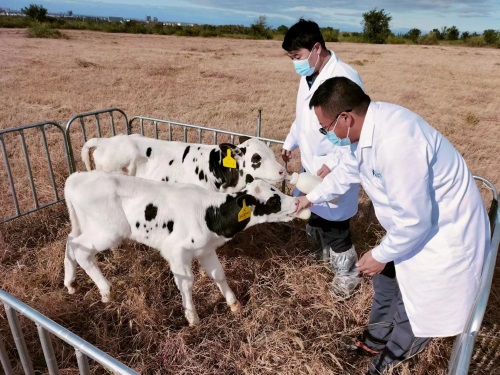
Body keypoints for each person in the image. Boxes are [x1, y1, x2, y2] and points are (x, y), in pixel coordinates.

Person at [295, 76, 490, 374]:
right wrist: (309, 198)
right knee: (387, 282)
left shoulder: (398, 142)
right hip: (410, 231)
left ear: (345, 118)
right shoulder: (364, 131)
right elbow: (346, 170)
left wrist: (380, 254)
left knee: (416, 310)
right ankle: (376, 339)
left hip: (441, 238)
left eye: (326, 127)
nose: (326, 134)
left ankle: (389, 361)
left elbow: (416, 221)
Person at [281, 18, 364, 298]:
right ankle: (324, 258)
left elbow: (352, 132)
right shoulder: (309, 76)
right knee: (314, 217)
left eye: (298, 56)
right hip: (312, 163)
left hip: (334, 166)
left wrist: (330, 167)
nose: (296, 63)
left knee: (335, 226)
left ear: (317, 48)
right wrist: (290, 143)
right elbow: (302, 118)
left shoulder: (343, 78)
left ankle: (348, 275)